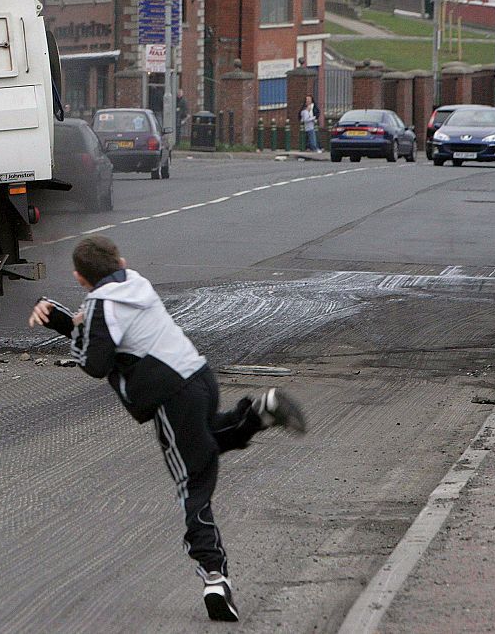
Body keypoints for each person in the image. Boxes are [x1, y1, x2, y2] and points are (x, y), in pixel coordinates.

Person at [28, 235, 307, 622]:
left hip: (171, 397)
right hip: (199, 378)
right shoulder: (135, 283)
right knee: (206, 443)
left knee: (193, 484)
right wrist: (71, 321)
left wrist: (65, 321)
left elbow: (95, 363)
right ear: (121, 263)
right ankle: (260, 413)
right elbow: (106, 333)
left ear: (79, 278)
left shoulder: (100, 306)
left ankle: (214, 576)